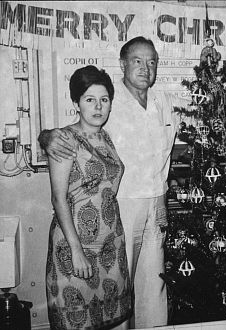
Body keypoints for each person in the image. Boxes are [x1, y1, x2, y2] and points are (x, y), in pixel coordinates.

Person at [40, 37, 184, 328]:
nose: (145, 68)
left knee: (153, 283)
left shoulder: (163, 101)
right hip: (121, 208)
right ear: (122, 65)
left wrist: (161, 202)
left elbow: (164, 156)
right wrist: (46, 137)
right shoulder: (107, 97)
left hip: (154, 203)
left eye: (152, 62)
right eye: (137, 61)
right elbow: (63, 136)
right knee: (119, 288)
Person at [45, 65, 131, 329]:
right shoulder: (63, 140)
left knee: (117, 318)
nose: (98, 107)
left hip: (110, 244)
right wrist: (76, 250)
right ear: (76, 102)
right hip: (76, 244)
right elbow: (59, 199)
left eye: (104, 100)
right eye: (89, 99)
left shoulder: (105, 137)